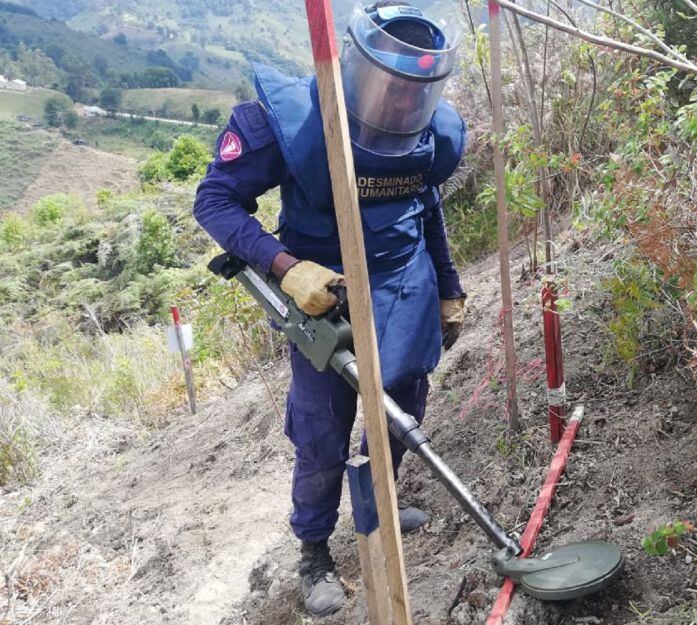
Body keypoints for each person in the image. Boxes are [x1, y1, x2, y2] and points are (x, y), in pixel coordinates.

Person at [192, 1, 466, 616]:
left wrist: (448, 288)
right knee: (322, 432)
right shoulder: (291, 123)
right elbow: (214, 202)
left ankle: (379, 513)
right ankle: (314, 550)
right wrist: (287, 269)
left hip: (405, 289)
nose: (401, 104)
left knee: (399, 412)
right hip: (327, 299)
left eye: (413, 93)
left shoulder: (431, 132)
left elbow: (428, 208)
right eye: (390, 88)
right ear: (359, 71)